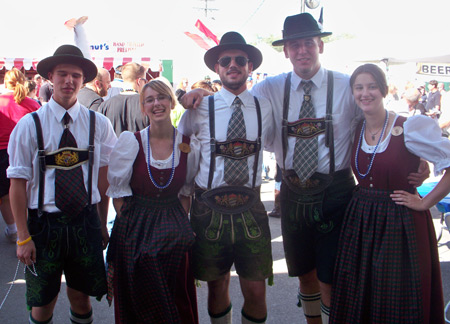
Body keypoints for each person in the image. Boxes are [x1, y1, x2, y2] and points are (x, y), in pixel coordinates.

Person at [180, 14, 429, 324]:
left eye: (308, 43)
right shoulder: (269, 88)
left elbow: (377, 117)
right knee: (304, 273)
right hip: (293, 192)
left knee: (331, 275)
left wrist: (414, 152)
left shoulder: (344, 84)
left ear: (320, 46)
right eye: (294, 45)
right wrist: (200, 95)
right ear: (286, 51)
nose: (302, 51)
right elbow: (226, 101)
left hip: (336, 191)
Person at [7, 44, 117, 324]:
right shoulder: (29, 125)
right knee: (42, 303)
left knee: (81, 298)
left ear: (84, 80)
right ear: (49, 78)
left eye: (76, 76)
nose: (69, 81)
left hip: (84, 220)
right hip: (44, 225)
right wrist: (22, 236)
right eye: (62, 74)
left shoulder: (99, 124)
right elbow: (17, 184)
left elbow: (104, 178)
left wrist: (102, 222)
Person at [330, 63, 448, 324]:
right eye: (359, 88)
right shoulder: (356, 127)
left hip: (401, 219)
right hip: (361, 218)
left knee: (400, 292)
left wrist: (425, 202)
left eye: (372, 86)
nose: (365, 93)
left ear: (383, 90)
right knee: (363, 291)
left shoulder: (411, 126)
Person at [178, 31, 274, 324]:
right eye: (226, 60)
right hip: (208, 207)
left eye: (240, 60)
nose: (233, 65)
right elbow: (182, 153)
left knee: (256, 290)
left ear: (249, 67)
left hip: (251, 207)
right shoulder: (199, 108)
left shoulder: (265, 107)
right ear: (217, 68)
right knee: (216, 285)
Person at [106, 79, 199, 323]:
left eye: (161, 97)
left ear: (171, 101)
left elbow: (185, 193)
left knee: (174, 296)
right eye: (149, 99)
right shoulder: (131, 142)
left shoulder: (187, 145)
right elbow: (118, 194)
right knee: (139, 299)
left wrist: (179, 229)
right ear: (143, 106)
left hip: (174, 233)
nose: (156, 104)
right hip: (135, 229)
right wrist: (133, 229)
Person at [0, 69, 40, 243]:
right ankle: (24, 225)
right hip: (28, 151)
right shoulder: (31, 103)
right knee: (26, 188)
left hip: (2, 151)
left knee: (5, 193)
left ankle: (12, 227)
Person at [97, 62, 150, 136]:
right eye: (145, 81)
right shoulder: (147, 105)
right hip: (139, 147)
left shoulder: (105, 106)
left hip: (114, 147)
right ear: (139, 81)